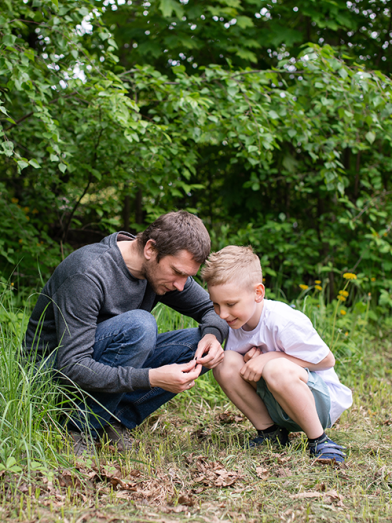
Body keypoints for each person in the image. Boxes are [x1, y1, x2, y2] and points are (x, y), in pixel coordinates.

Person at [24, 211, 228, 454]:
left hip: (96, 362)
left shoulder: (161, 269)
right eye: (177, 272)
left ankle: (114, 419)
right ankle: (78, 427)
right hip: (48, 375)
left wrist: (213, 335)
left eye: (187, 276)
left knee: (198, 345)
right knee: (140, 326)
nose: (181, 285)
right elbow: (73, 365)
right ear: (150, 249)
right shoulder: (88, 273)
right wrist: (151, 378)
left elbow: (212, 309)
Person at [201, 245, 353, 463]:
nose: (222, 314)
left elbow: (327, 360)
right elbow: (243, 373)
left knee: (275, 367)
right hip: (278, 403)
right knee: (225, 363)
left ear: (258, 293)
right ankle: (271, 433)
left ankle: (319, 440)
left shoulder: (282, 320)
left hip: (318, 405)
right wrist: (249, 362)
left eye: (231, 304)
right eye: (215, 304)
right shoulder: (235, 323)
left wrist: (268, 357)